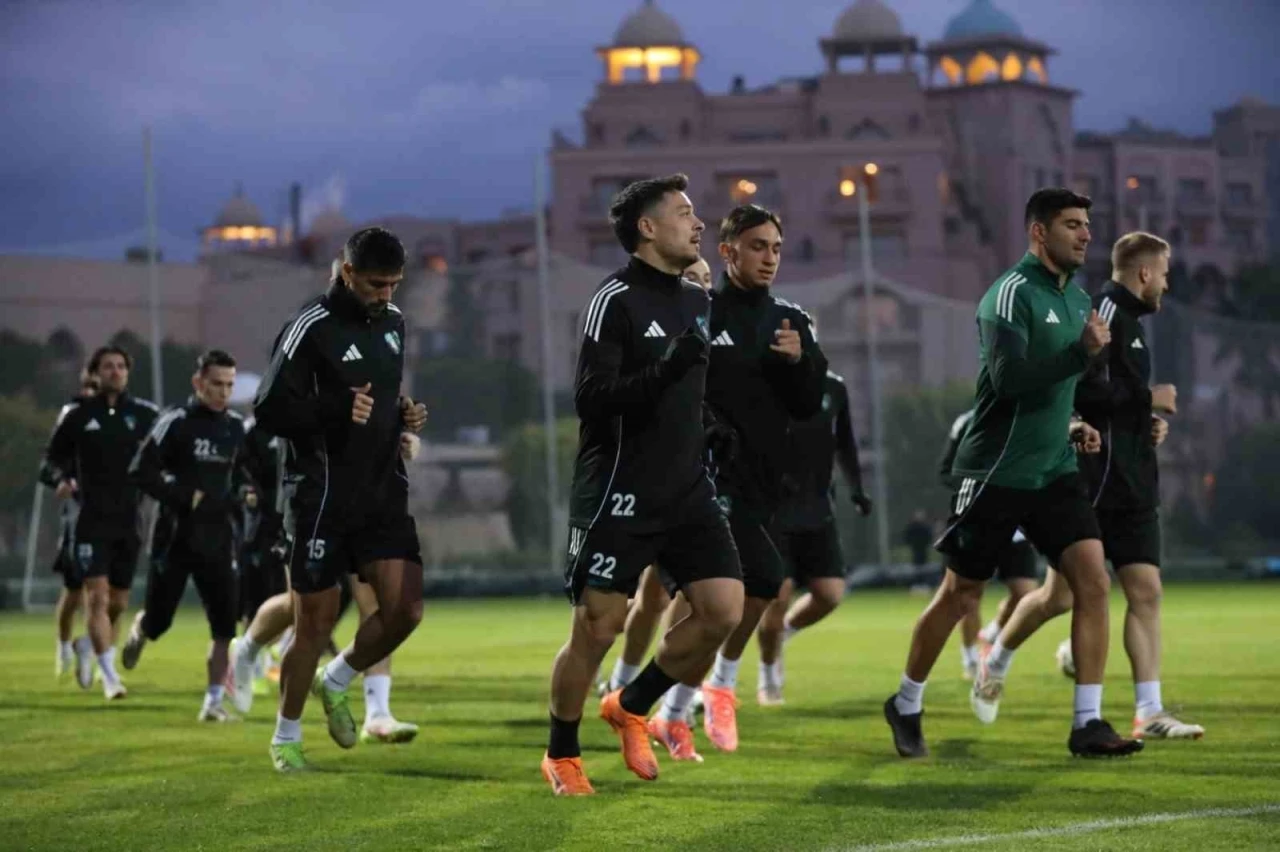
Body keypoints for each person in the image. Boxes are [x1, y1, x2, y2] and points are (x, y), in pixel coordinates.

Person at [883, 187, 1144, 759]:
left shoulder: (1078, 300)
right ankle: (905, 702)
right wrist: (1079, 353)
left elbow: (1063, 388)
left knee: (1094, 582)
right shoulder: (1009, 294)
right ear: (1038, 232)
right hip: (996, 468)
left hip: (1054, 471)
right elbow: (1008, 380)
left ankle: (1088, 724)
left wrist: (1075, 422)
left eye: (1086, 224)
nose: (1085, 234)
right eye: (1072, 224)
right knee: (960, 594)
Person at [541, 174, 745, 796]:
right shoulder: (614, 300)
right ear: (648, 229)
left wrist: (712, 424)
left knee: (723, 611)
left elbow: (688, 391)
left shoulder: (696, 302)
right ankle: (561, 754)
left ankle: (630, 704)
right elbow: (591, 399)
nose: (699, 223)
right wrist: (667, 368)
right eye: (684, 213)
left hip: (686, 489)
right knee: (598, 628)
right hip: (619, 489)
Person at [971, 231, 1204, 740]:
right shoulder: (1101, 314)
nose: (1166, 285)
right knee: (1058, 597)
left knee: (1146, 591)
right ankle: (996, 659)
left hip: (1134, 482)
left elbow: (1117, 403)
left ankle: (1149, 711)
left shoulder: (1134, 325)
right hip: (1092, 483)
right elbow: (1077, 389)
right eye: (1164, 275)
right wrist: (1147, 400)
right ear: (1144, 272)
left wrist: (1146, 424)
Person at [252, 227, 428, 772]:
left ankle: (337, 678)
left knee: (406, 611)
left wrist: (403, 417)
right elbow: (267, 409)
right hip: (321, 495)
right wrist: (333, 410)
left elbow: (377, 396)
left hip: (381, 491)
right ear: (347, 272)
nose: (386, 295)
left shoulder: (394, 322)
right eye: (376, 284)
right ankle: (285, 738)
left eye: (394, 284)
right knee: (315, 623)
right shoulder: (310, 326)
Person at [666, 202, 826, 754]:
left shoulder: (791, 319)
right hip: (704, 479)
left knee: (727, 600)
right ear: (728, 251)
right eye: (758, 247)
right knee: (758, 578)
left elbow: (809, 405)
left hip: (763, 483)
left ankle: (669, 710)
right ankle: (707, 688)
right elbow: (674, 388)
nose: (770, 258)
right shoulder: (700, 312)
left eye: (776, 248)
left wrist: (801, 363)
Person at [229, 430, 425, 745]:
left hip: (363, 503)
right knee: (300, 607)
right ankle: (248, 648)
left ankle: (377, 712)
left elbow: (391, 420)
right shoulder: (293, 406)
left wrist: (404, 436)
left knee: (376, 606)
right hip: (313, 502)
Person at [122, 350, 250, 720]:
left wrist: (245, 493)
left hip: (219, 539)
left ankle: (213, 702)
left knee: (225, 625)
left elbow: (242, 475)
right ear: (198, 383)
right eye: (217, 384)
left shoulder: (235, 427)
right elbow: (140, 471)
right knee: (160, 621)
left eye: (229, 385)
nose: (223, 392)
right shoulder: (175, 421)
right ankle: (143, 628)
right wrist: (184, 496)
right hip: (175, 537)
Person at [39, 345, 159, 700]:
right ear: (94, 373)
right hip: (90, 520)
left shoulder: (145, 414)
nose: (115, 371)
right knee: (95, 597)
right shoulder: (77, 415)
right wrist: (60, 480)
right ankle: (110, 677)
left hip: (130, 520)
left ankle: (86, 647)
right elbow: (50, 461)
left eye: (121, 366)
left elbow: (167, 453)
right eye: (108, 366)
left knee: (118, 603)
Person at [755, 368, 871, 705]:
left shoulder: (834, 387)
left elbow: (845, 442)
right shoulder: (766, 382)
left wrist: (857, 488)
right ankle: (768, 676)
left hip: (818, 508)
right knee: (778, 598)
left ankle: (783, 634)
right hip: (775, 511)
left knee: (830, 594)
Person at [938, 410, 1041, 681]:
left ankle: (992, 634)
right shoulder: (966, 422)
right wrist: (977, 489)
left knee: (1025, 593)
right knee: (969, 596)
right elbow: (946, 471)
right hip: (977, 520)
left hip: (1017, 523)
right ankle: (971, 659)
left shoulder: (1029, 417)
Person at [50, 369, 99, 681]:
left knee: (108, 595)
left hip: (112, 516)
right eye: (92, 386)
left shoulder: (121, 418)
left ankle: (96, 653)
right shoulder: (71, 417)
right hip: (78, 515)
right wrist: (61, 480)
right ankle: (64, 645)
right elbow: (50, 462)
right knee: (75, 591)